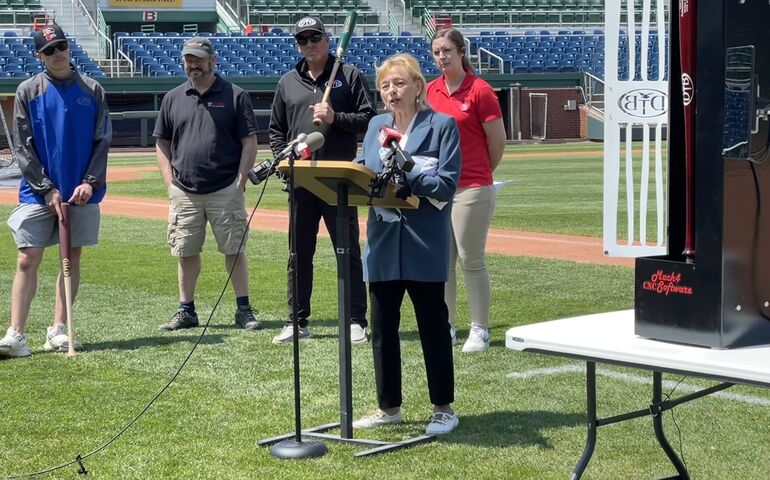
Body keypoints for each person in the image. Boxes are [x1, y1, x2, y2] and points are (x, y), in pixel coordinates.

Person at [352, 54, 461, 435]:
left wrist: (408, 166)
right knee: (382, 328)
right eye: (385, 85)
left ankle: (444, 408)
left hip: (423, 243)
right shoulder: (376, 126)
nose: (391, 91)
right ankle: (389, 406)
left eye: (399, 83)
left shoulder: (442, 126)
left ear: (418, 86)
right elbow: (362, 170)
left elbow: (445, 185)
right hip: (382, 242)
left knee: (432, 326)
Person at [0, 24, 111, 358]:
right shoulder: (28, 91)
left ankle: (58, 329)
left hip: (81, 192)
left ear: (68, 47)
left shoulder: (92, 89)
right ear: (39, 56)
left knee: (71, 256)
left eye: (60, 46)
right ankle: (16, 334)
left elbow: (102, 141)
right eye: (49, 50)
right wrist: (46, 188)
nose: (57, 53)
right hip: (37, 193)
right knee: (27, 257)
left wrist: (89, 182)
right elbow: (23, 146)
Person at [268, 16, 377, 345]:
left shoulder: (349, 75)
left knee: (347, 252)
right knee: (298, 252)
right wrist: (284, 164)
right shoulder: (288, 81)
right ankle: (296, 320)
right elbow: (276, 131)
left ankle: (356, 319)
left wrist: (334, 117)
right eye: (303, 39)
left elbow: (369, 120)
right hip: (301, 181)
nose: (310, 44)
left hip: (338, 180)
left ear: (327, 40)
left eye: (315, 37)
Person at [153, 37, 261, 332]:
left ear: (212, 61)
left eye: (199, 59)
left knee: (234, 249)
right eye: (189, 59)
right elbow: (162, 143)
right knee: (185, 251)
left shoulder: (235, 95)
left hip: (225, 186)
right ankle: (186, 310)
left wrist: (240, 178)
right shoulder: (173, 98)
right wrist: (169, 183)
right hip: (184, 190)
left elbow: (249, 142)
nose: (193, 64)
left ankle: (243, 309)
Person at [426, 27, 507, 353]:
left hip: (472, 186)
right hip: (438, 188)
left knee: (470, 260)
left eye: (447, 50)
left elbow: (497, 142)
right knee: (441, 264)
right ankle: (446, 327)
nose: (441, 57)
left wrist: (481, 173)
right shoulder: (430, 91)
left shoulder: (480, 90)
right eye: (436, 52)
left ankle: (479, 329)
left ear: (461, 52)